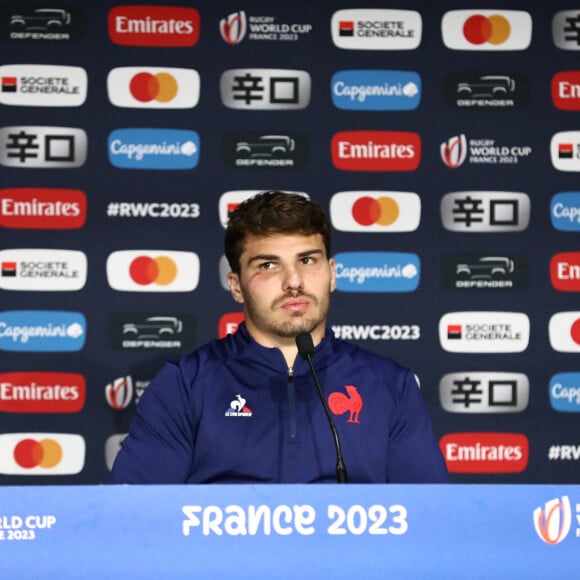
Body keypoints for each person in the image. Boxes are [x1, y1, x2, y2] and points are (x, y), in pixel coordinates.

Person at [109, 190, 449, 484]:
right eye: (268, 265)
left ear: (332, 274)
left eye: (307, 260)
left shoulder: (390, 386)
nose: (294, 281)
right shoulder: (184, 385)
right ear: (236, 286)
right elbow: (135, 521)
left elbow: (431, 521)